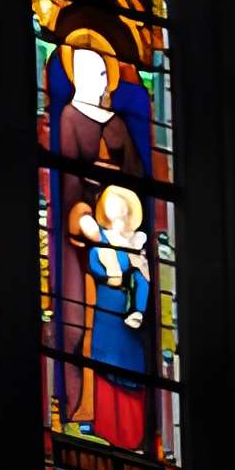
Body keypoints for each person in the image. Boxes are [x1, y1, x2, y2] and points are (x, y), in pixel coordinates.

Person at [52, 36, 145, 429]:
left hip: (122, 226)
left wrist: (127, 218)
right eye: (90, 69)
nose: (99, 76)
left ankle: (126, 421)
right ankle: (80, 406)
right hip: (86, 231)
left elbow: (139, 175)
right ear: (76, 76)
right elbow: (68, 179)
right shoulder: (70, 118)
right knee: (80, 321)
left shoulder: (119, 123)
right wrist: (83, 214)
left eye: (104, 70)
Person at [84, 183, 151, 450]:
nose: (118, 208)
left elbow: (141, 274)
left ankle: (131, 435)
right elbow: (95, 263)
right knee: (103, 362)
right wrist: (119, 274)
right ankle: (101, 425)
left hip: (126, 312)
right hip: (106, 308)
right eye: (113, 203)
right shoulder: (101, 239)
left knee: (130, 366)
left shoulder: (134, 241)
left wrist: (138, 269)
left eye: (122, 205)